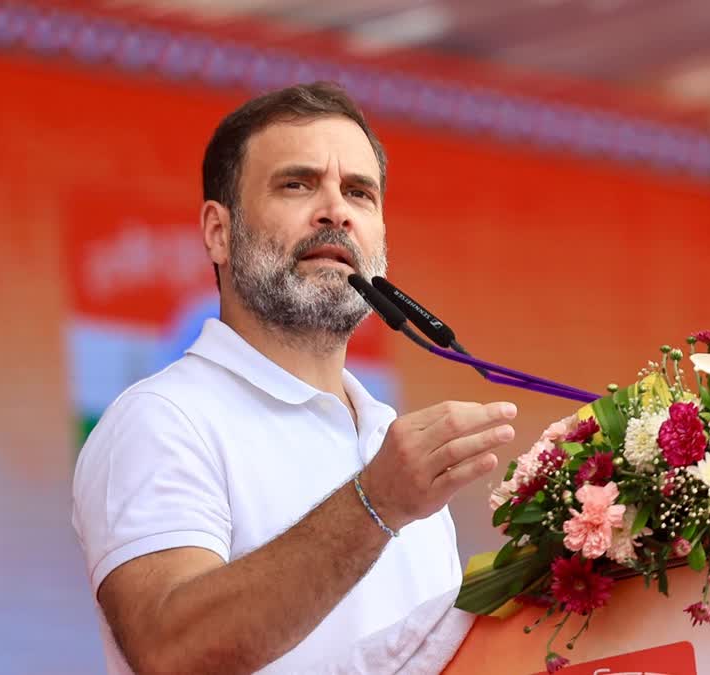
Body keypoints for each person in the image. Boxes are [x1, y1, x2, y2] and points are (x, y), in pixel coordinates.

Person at [71, 82, 517, 675]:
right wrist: (377, 501)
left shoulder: (390, 441)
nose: (337, 210)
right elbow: (171, 649)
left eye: (359, 192)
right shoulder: (162, 417)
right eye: (297, 184)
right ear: (218, 233)